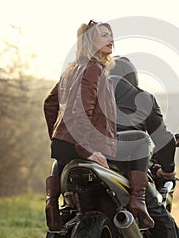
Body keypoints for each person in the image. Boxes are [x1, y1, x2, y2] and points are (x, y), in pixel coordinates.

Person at [43, 21, 154, 231]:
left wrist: (58, 136)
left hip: (63, 145)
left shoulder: (71, 69)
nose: (111, 39)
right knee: (141, 139)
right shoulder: (94, 68)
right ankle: (138, 201)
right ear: (89, 41)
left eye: (111, 35)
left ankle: (51, 201)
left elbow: (49, 104)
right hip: (88, 144)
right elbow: (81, 111)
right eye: (103, 35)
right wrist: (87, 150)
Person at [110, 56, 179, 238]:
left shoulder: (90, 93)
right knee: (165, 225)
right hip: (127, 166)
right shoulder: (144, 98)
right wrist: (168, 170)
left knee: (68, 213)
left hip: (87, 158)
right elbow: (164, 140)